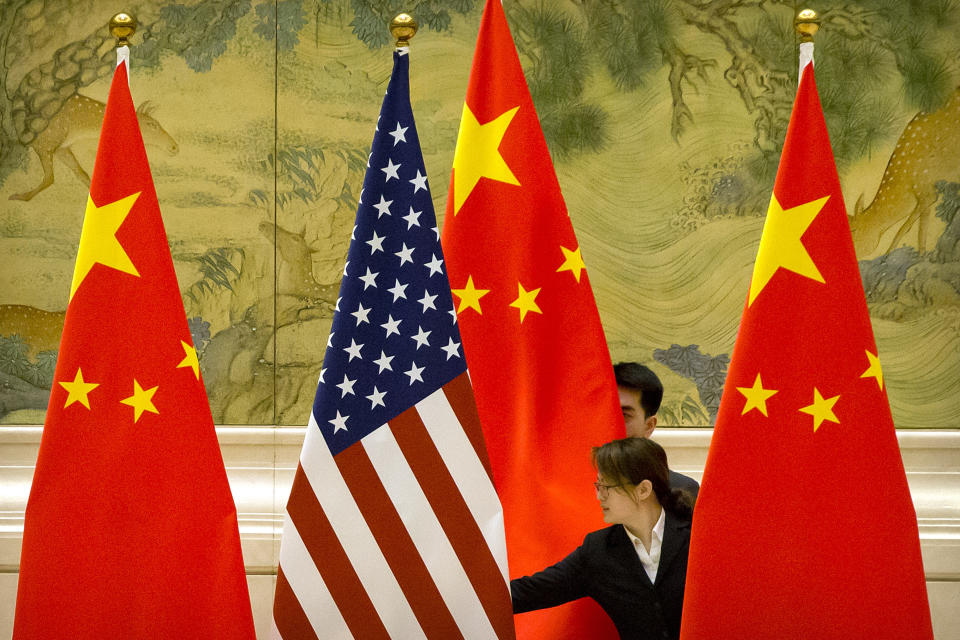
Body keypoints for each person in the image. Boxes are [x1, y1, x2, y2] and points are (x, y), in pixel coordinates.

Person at [511, 437, 694, 639]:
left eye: (607, 487)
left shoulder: (696, 537)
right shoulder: (598, 551)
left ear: (643, 490)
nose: (599, 496)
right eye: (598, 486)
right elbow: (532, 591)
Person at [614, 361, 700, 499]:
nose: (613, 424)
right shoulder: (571, 486)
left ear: (649, 426)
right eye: (607, 413)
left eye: (624, 416)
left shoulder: (680, 491)